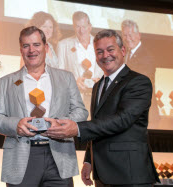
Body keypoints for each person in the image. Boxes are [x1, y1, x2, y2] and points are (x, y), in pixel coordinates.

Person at [46, 29, 160, 186]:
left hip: (130, 174)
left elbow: (122, 120)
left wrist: (77, 128)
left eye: (110, 49)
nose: (105, 55)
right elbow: (98, 124)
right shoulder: (98, 86)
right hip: (102, 174)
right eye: (99, 51)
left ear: (123, 50)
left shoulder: (138, 82)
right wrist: (89, 161)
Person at [0, 26, 88, 187]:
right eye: (26, 46)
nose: (31, 50)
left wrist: (61, 123)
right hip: (21, 156)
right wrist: (16, 125)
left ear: (46, 47)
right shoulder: (6, 82)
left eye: (36, 45)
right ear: (21, 50)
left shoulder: (66, 77)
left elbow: (81, 111)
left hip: (59, 155)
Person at [57, 11, 103, 114]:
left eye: (84, 26)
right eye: (78, 27)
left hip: (98, 98)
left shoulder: (101, 44)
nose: (81, 31)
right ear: (73, 27)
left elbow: (109, 68)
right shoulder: (63, 45)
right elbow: (59, 75)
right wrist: (73, 82)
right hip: (74, 99)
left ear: (90, 27)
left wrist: (101, 80)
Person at [121, 19, 160, 127]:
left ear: (139, 35)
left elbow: (140, 83)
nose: (128, 38)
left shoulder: (147, 57)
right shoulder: (126, 54)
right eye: (125, 35)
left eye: (131, 34)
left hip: (144, 115)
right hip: (132, 113)